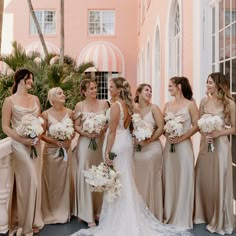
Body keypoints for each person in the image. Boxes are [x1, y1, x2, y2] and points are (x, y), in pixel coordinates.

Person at [72, 77, 192, 236]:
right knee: (124, 180)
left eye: (112, 86)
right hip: (126, 144)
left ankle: (120, 219)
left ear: (119, 89)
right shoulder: (127, 105)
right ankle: (129, 215)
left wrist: (108, 151)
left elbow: (113, 131)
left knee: (117, 180)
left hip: (117, 145)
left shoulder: (115, 106)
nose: (109, 89)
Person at [2, 69, 44, 236]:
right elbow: (5, 127)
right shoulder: (9, 101)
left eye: (32, 79)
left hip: (35, 144)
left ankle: (32, 220)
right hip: (19, 146)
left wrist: (38, 134)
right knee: (28, 182)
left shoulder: (35, 99)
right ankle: (23, 225)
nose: (31, 82)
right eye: (29, 79)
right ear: (20, 79)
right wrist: (22, 140)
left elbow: (40, 120)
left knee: (34, 183)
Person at [194, 72, 235, 235]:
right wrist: (205, 134)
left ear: (218, 84)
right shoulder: (204, 101)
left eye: (210, 82)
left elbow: (234, 128)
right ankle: (203, 214)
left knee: (218, 180)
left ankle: (219, 219)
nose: (207, 85)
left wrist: (218, 133)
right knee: (203, 178)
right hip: (206, 146)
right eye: (207, 82)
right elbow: (198, 124)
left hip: (221, 147)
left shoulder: (230, 103)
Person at [163, 76, 199, 229]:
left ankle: (183, 216)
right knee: (170, 178)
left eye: (171, 85)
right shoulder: (166, 105)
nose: (168, 88)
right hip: (169, 148)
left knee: (184, 178)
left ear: (179, 86)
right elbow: (162, 126)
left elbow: (197, 126)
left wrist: (182, 138)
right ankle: (169, 213)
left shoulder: (190, 105)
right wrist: (168, 136)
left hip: (184, 148)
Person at [74, 79, 109, 227]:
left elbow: (108, 122)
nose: (94, 91)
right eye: (91, 89)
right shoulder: (79, 105)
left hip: (100, 142)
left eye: (95, 88)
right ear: (84, 92)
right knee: (87, 175)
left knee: (100, 174)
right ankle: (87, 214)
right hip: (85, 144)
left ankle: (99, 211)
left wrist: (101, 130)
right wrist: (86, 133)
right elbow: (76, 125)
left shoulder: (104, 104)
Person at [41, 87, 74, 224]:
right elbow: (41, 134)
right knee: (51, 182)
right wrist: (55, 141)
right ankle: (50, 211)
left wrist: (68, 138)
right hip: (50, 153)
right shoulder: (45, 114)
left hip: (66, 151)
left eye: (63, 92)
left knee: (65, 181)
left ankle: (65, 211)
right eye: (59, 93)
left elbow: (73, 131)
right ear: (52, 98)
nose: (63, 94)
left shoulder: (70, 112)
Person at [133, 83, 164, 221]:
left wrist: (149, 140)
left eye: (151, 91)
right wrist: (135, 138)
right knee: (136, 175)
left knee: (151, 172)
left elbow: (161, 128)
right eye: (146, 90)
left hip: (152, 147)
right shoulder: (132, 109)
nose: (149, 92)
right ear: (138, 92)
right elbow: (127, 127)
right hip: (137, 147)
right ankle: (138, 209)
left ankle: (153, 210)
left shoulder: (154, 108)